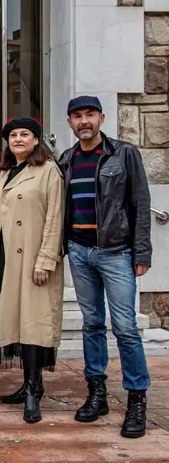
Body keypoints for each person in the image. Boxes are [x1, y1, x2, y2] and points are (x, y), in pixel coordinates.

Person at [58, 96, 152, 438]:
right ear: (69, 122)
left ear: (101, 117)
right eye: (77, 116)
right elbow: (60, 209)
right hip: (80, 251)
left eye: (90, 115)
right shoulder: (66, 159)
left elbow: (141, 203)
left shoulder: (123, 154)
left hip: (116, 252)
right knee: (92, 324)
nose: (84, 121)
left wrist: (142, 253)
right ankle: (97, 392)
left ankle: (136, 399)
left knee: (126, 327)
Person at [0, 117, 64, 425]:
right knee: (16, 321)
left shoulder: (48, 171)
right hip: (7, 256)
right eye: (13, 135)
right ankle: (28, 383)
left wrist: (46, 259)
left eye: (25, 134)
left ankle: (34, 390)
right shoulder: (5, 172)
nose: (18, 139)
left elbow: (55, 217)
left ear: (36, 141)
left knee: (33, 324)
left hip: (33, 257)